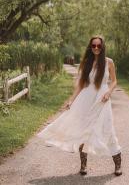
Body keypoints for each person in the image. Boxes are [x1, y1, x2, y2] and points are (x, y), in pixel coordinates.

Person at [37, 36, 122, 176]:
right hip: (85, 99)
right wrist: (71, 100)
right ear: (90, 46)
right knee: (83, 130)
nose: (96, 48)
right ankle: (83, 165)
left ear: (103, 47)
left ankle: (118, 165)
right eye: (93, 45)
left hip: (102, 100)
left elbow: (114, 81)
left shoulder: (109, 62)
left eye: (98, 46)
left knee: (108, 129)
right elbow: (80, 85)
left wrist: (108, 92)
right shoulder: (86, 63)